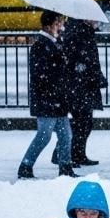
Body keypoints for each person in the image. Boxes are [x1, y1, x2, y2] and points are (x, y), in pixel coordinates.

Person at [18, 10, 75, 179]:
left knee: (66, 135)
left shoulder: (56, 42)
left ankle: (65, 167)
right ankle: (26, 166)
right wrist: (59, 64)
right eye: (58, 24)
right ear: (48, 26)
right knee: (44, 136)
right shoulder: (40, 45)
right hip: (47, 99)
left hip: (58, 99)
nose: (61, 27)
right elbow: (41, 73)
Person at [60, 17, 107, 166]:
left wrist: (96, 75)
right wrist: (84, 69)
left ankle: (77, 154)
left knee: (84, 123)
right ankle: (66, 154)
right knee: (81, 122)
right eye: (94, 19)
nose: (96, 21)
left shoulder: (85, 32)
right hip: (79, 84)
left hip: (85, 83)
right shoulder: (76, 32)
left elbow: (91, 59)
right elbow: (73, 58)